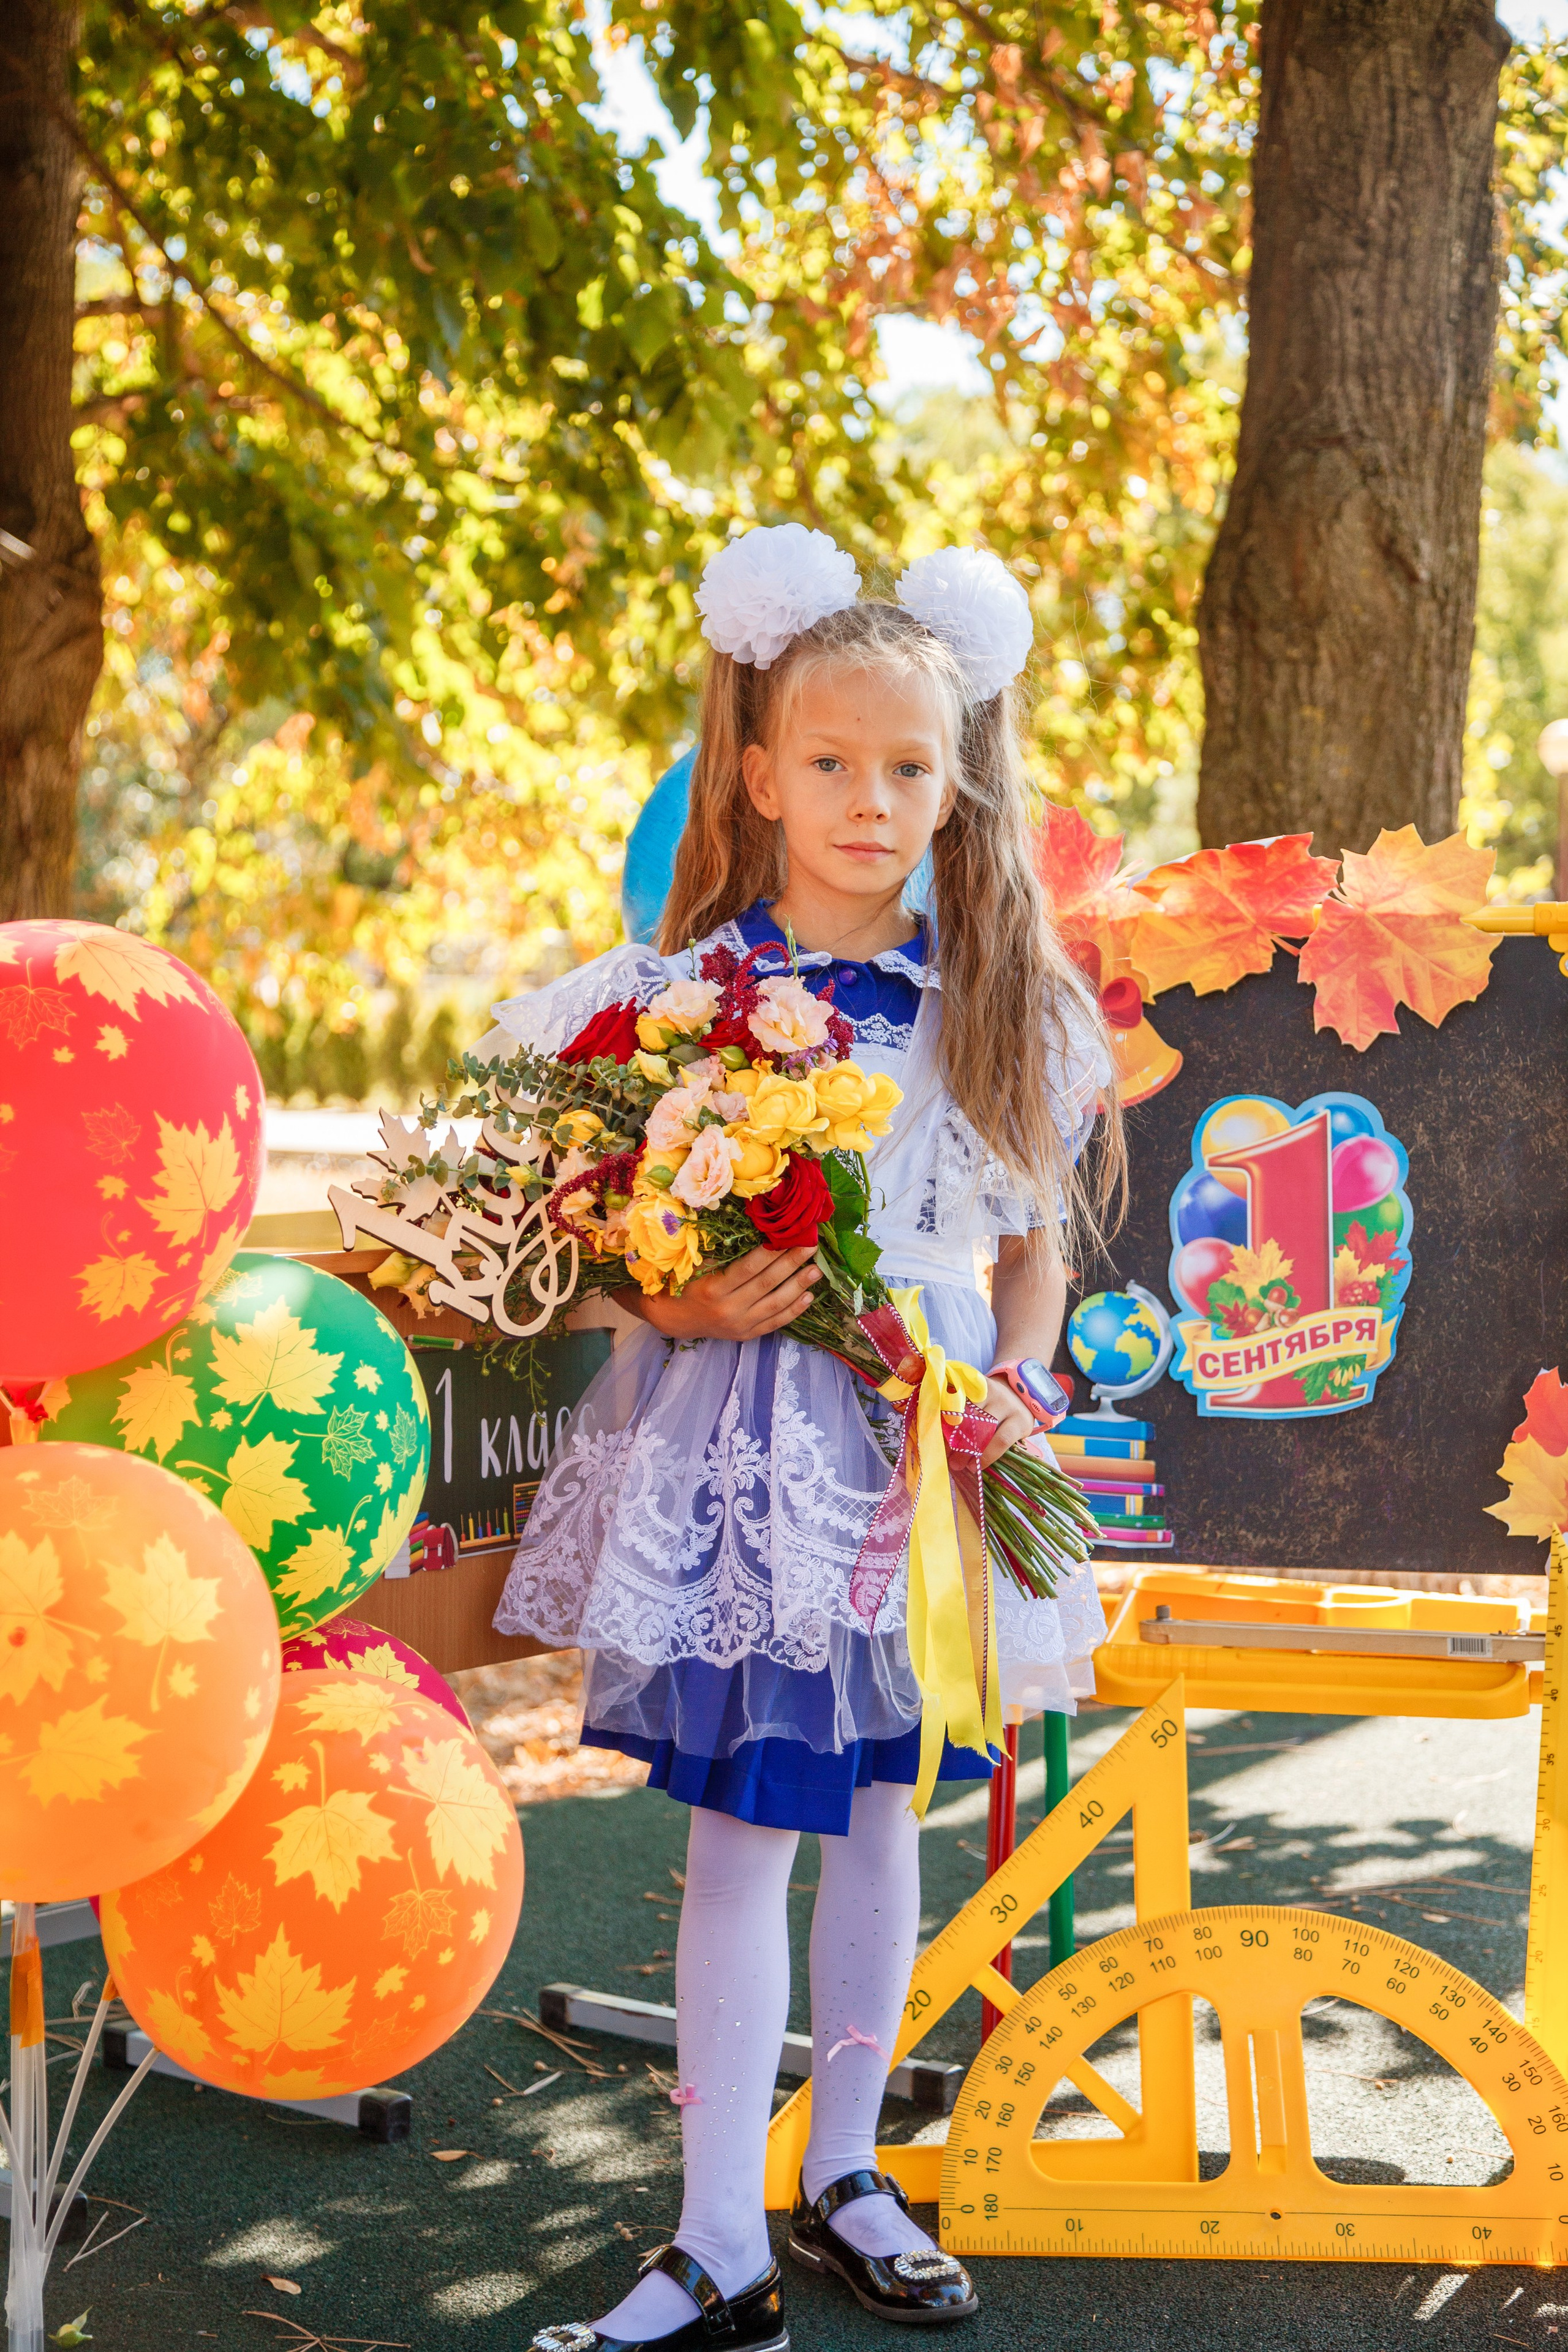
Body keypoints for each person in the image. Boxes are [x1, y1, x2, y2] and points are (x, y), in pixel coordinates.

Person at [489, 527, 1125, 2352]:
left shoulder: (993, 1000)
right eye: (831, 764)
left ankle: (842, 2169)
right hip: (748, 1454)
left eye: (910, 769)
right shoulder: (667, 1006)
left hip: (925, 1457)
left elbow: (1029, 1248)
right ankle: (716, 2238)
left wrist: (1026, 1376)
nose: (871, 800)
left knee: (878, 1815)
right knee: (748, 1833)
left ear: (956, 783)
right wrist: (675, 1301)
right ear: (757, 775)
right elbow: (589, 1257)